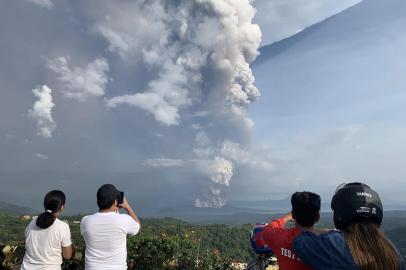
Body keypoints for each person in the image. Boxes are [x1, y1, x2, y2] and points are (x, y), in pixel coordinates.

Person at [293, 182, 405, 270]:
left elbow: (300, 242)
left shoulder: (335, 244)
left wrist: (330, 232)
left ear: (340, 209)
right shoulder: (392, 252)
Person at [80, 184, 141, 270]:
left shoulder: (85, 221)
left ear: (97, 200)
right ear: (115, 202)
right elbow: (138, 228)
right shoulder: (124, 220)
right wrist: (127, 207)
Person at [262, 191, 321, 270]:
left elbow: (267, 229)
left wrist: (286, 218)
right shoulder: (327, 246)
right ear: (317, 217)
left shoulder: (280, 237)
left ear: (293, 215)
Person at [21, 190, 72, 270]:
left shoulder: (32, 222)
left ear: (45, 205)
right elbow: (67, 256)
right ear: (61, 207)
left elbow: (26, 243)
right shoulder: (63, 226)